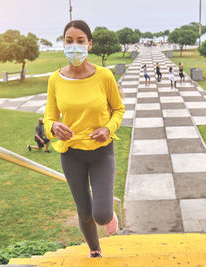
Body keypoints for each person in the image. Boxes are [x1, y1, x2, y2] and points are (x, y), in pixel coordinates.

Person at [43, 20, 125, 258]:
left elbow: (119, 110)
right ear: (64, 44)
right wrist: (54, 126)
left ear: (89, 44)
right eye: (69, 41)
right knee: (84, 210)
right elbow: (48, 119)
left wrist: (108, 129)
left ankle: (109, 212)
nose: (75, 46)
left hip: (101, 152)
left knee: (101, 214)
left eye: (80, 41)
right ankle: (95, 251)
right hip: (71, 154)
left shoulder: (104, 76)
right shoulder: (55, 80)